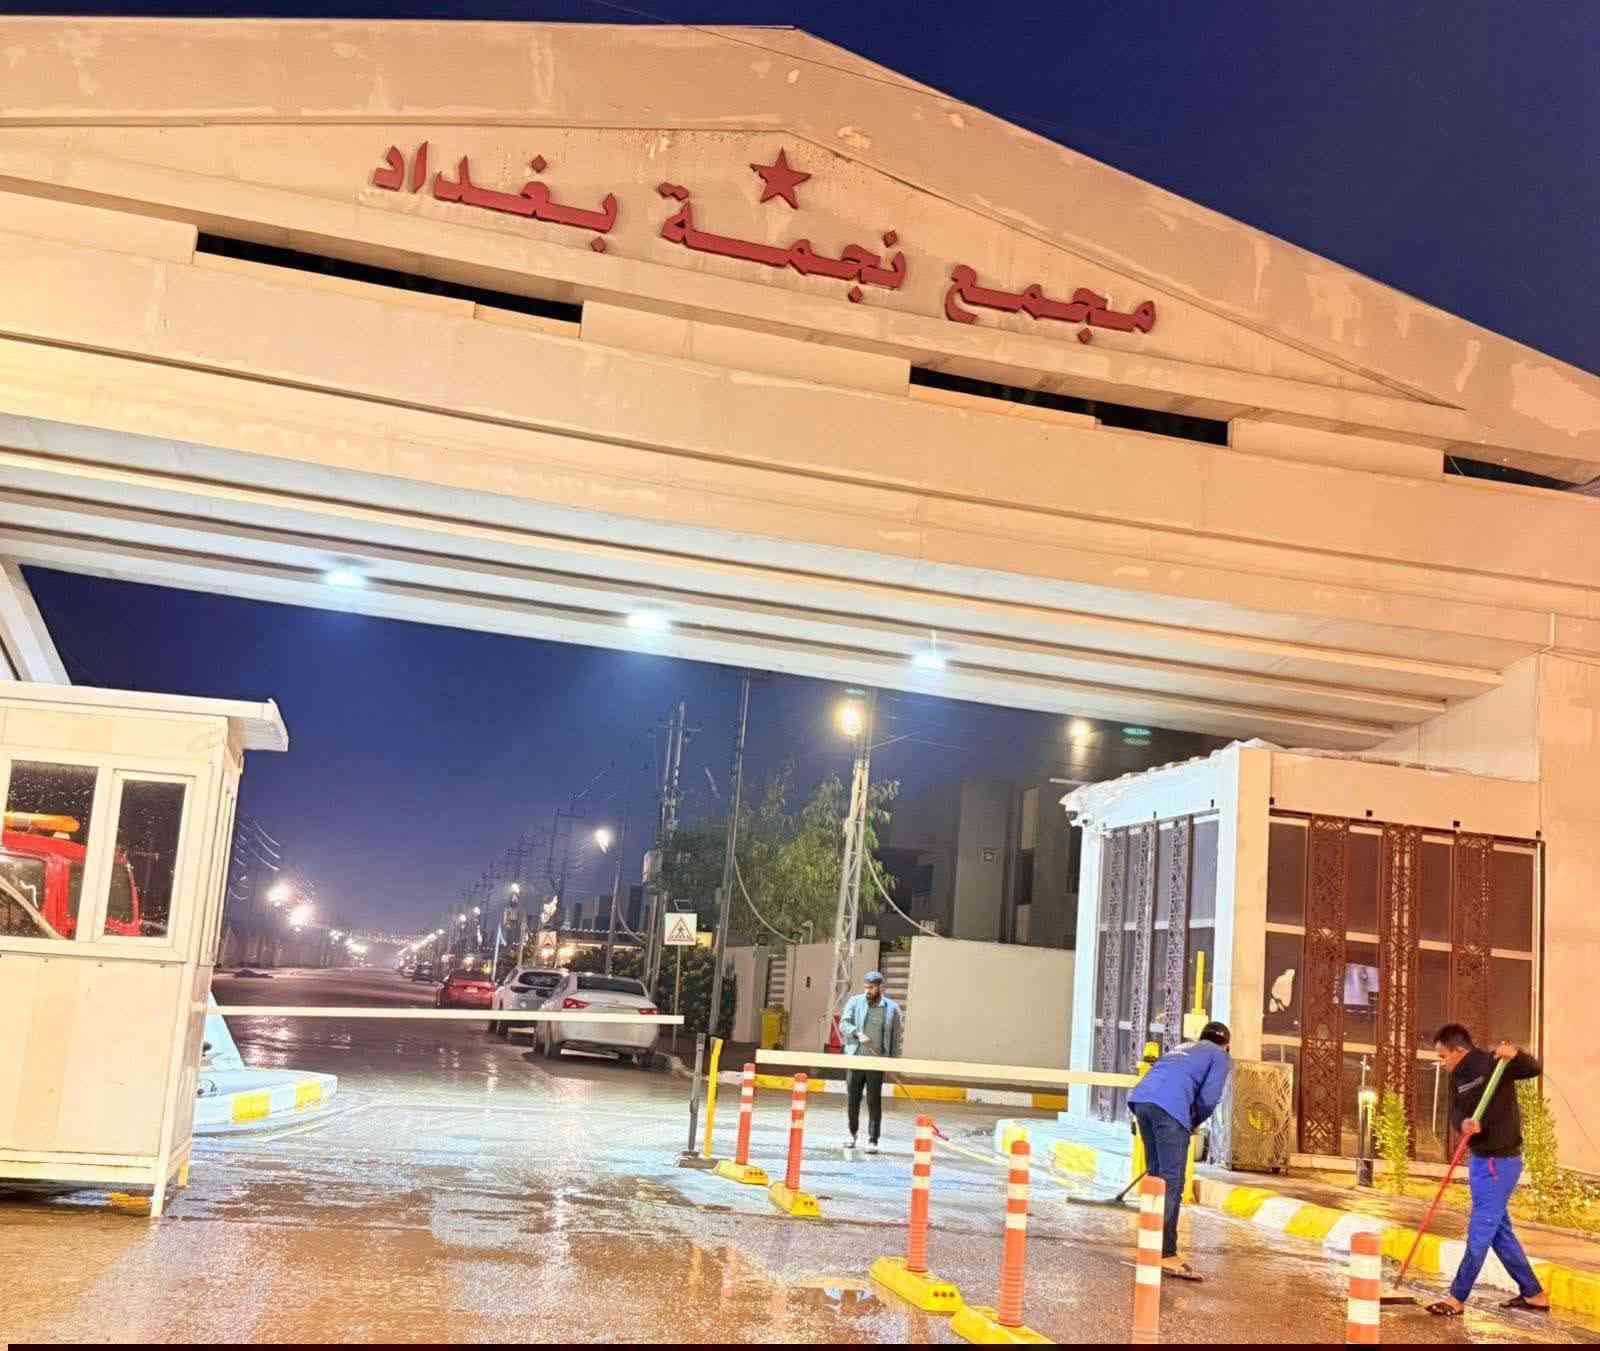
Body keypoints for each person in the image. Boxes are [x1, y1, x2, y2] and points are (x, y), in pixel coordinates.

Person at [1427, 1024, 1549, 1317]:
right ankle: (1534, 1294)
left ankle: (1456, 1297)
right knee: (1499, 1232)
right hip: (1481, 1160)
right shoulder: (1456, 1077)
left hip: (1500, 1163)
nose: (1442, 1063)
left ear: (1459, 1050)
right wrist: (1464, 1123)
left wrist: (1515, 1054)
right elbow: (1455, 1111)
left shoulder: (1495, 1063)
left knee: (1481, 1230)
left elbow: (1533, 1069)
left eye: (1443, 1056)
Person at [1126, 1021, 1232, 1281]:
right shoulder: (1219, 1055)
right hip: (1170, 1110)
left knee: (1156, 1177)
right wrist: (1192, 1120)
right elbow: (1210, 1097)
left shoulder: (1183, 1047)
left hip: (1142, 1102)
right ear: (1227, 1045)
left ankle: (1150, 1245)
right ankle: (1165, 1253)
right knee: (1171, 1183)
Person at [838, 969, 903, 1153]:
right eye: (866, 987)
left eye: (872, 987)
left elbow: (895, 1038)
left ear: (881, 988)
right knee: (853, 1100)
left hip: (876, 1062)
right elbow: (844, 1024)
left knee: (874, 1102)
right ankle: (852, 1134)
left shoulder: (892, 1009)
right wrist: (857, 1033)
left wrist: (892, 1063)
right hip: (856, 1059)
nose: (868, 991)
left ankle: (873, 1140)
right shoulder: (855, 1001)